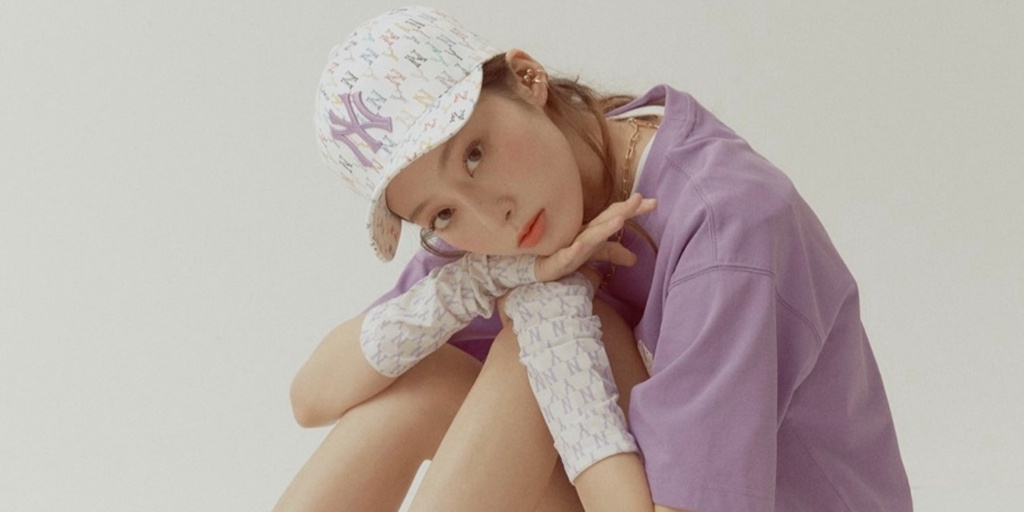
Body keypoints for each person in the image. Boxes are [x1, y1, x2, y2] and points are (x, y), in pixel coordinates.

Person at [276, 6, 912, 512]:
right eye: (440, 214)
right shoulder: (500, 241)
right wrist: (482, 280)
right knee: (417, 385)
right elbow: (314, 397)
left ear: (528, 79)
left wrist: (555, 321)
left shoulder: (726, 225)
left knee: (539, 335)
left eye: (474, 153)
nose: (490, 214)